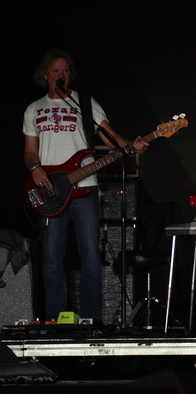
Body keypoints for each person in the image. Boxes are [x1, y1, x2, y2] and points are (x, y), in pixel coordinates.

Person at [23, 48, 148, 324]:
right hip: (51, 190)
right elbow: (30, 153)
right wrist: (36, 169)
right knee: (52, 259)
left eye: (65, 71)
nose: (61, 75)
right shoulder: (34, 109)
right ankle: (55, 322)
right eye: (55, 70)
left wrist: (133, 145)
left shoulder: (85, 104)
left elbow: (112, 137)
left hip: (85, 188)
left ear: (71, 76)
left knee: (91, 256)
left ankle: (92, 321)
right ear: (45, 75)